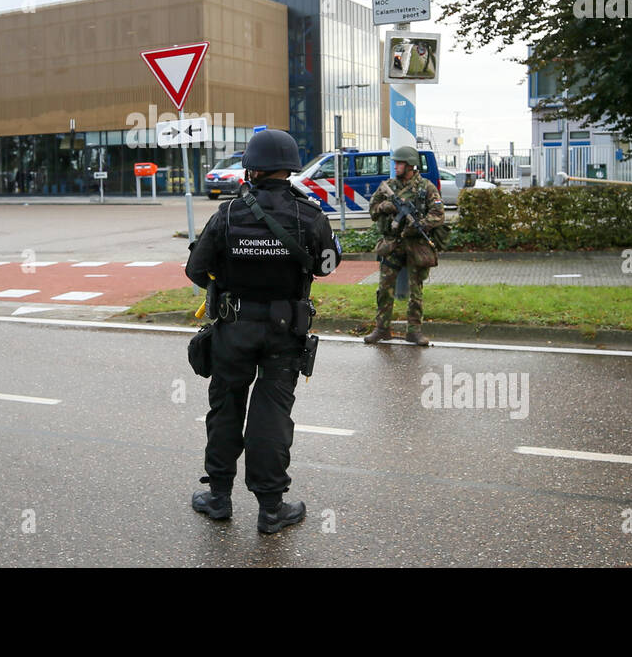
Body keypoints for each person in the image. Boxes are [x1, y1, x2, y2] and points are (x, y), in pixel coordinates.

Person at [186, 128, 339, 535]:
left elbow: (195, 270)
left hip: (234, 329)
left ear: (250, 169)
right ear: (289, 169)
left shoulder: (229, 214)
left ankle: (218, 498)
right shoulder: (311, 216)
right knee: (271, 417)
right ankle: (271, 510)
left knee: (225, 409)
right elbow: (326, 267)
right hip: (285, 331)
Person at [364, 146, 445, 346]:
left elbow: (439, 214)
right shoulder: (389, 186)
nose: (396, 166)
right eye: (396, 163)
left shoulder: (426, 187)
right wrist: (386, 206)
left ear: (410, 165)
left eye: (399, 163)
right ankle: (382, 329)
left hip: (415, 245)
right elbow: (372, 210)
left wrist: (420, 224)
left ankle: (414, 331)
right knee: (384, 288)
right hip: (392, 244)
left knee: (415, 291)